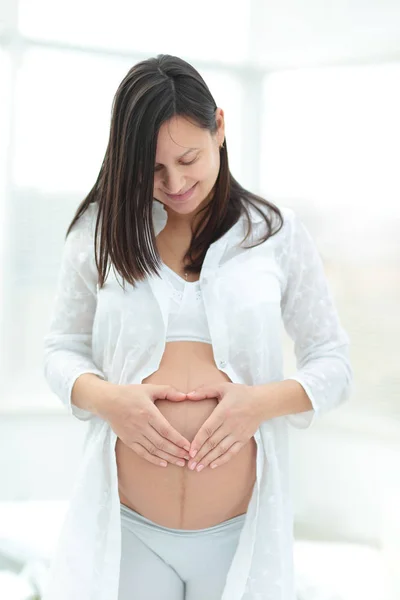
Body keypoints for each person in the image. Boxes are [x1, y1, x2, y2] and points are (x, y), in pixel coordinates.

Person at [42, 54, 353, 600]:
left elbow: (333, 363)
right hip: (129, 527)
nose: (176, 182)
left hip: (240, 533)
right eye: (154, 170)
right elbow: (60, 349)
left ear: (221, 128)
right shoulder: (100, 233)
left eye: (189, 158)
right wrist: (110, 399)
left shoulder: (276, 234)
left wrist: (257, 403)